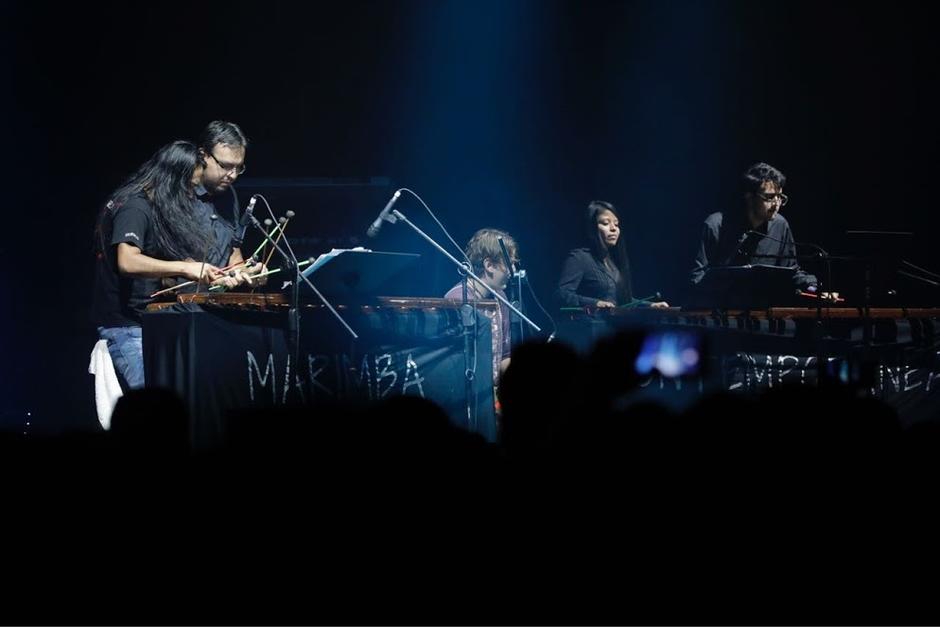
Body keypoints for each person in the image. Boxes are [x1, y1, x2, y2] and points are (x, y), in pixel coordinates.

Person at [92, 139, 261, 391]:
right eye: (188, 186)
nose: (190, 195)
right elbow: (127, 261)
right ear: (172, 178)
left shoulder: (158, 209)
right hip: (126, 326)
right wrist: (185, 267)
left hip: (151, 320)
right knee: (154, 403)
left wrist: (213, 276)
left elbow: (164, 271)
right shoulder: (135, 206)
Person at [690, 162, 817, 292]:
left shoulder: (780, 225)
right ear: (749, 196)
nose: (776, 204)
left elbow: (791, 271)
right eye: (770, 197)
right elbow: (697, 276)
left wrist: (814, 288)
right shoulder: (715, 225)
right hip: (720, 308)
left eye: (780, 197)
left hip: (762, 308)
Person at [556, 200, 669, 309]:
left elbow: (623, 301)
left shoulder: (612, 264)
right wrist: (595, 303)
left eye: (616, 224)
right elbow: (561, 294)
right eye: (605, 223)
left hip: (612, 326)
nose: (613, 228)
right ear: (592, 228)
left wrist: (650, 305)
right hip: (589, 326)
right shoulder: (579, 258)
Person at [443, 228, 518, 374]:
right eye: (509, 263)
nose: (513, 270)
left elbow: (503, 357)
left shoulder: (500, 297)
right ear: (489, 265)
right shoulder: (456, 300)